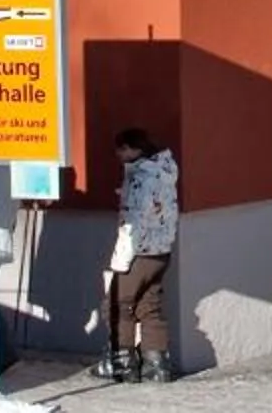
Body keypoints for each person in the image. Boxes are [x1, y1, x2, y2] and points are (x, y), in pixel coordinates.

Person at [105, 127, 180, 381]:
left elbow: (134, 221)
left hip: (140, 251)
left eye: (121, 149)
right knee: (150, 305)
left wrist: (121, 260)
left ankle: (122, 364)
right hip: (161, 250)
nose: (118, 155)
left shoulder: (141, 177)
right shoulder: (164, 170)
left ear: (132, 148)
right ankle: (156, 364)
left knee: (118, 304)